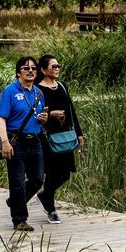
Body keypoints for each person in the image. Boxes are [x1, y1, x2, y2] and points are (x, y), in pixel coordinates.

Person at [0, 56, 48, 231]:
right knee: (17, 182)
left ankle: (15, 201)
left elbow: (39, 117)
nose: (30, 71)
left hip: (35, 141)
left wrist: (43, 119)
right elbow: (1, 119)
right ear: (19, 72)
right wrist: (5, 142)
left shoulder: (39, 93)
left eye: (33, 68)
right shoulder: (10, 91)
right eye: (26, 68)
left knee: (37, 179)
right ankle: (19, 219)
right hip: (15, 142)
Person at [35, 54, 84, 224]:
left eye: (58, 66)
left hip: (66, 136)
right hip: (46, 136)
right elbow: (33, 113)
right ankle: (51, 208)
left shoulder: (62, 86)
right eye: (53, 66)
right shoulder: (37, 89)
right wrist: (50, 115)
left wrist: (79, 133)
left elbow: (71, 110)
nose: (57, 69)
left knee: (65, 173)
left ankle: (44, 196)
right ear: (43, 70)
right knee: (52, 172)